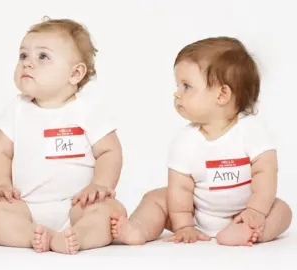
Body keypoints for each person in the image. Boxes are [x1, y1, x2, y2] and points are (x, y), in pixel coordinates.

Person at [111, 36, 292, 247]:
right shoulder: (185, 141)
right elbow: (180, 189)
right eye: (177, 86)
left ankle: (250, 230)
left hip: (245, 210)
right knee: (155, 199)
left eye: (186, 86)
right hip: (197, 213)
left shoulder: (251, 131)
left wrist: (256, 211)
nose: (176, 94)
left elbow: (266, 173)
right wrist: (183, 224)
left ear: (222, 94)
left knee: (282, 211)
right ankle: (138, 228)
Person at [0, 17, 127, 254]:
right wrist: (0, 185)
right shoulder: (16, 109)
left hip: (79, 206)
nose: (27, 64)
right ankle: (31, 235)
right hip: (25, 207)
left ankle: (80, 235)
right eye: (23, 56)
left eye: (42, 57)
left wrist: (100, 185)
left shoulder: (88, 110)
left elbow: (109, 150)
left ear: (75, 73)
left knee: (111, 211)